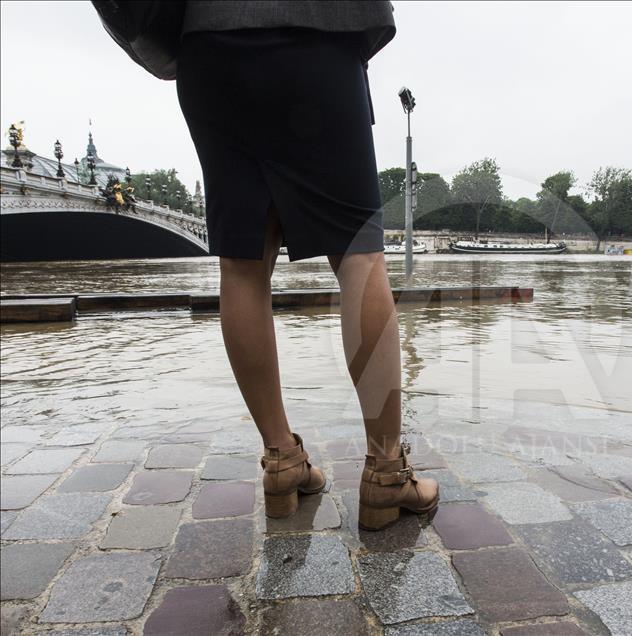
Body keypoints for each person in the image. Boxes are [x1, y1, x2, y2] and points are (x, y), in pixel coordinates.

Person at [176, 1, 438, 530]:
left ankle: (282, 460)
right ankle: (387, 472)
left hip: (209, 47)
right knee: (360, 257)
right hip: (314, 33)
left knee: (243, 263)